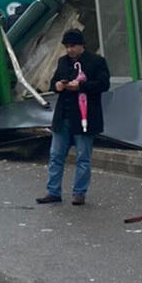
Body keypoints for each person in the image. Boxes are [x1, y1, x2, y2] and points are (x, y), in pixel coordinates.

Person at [36, 29, 110, 206]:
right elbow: (54, 81)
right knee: (55, 156)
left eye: (72, 46)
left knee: (83, 157)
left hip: (85, 116)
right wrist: (58, 85)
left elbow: (104, 84)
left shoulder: (96, 61)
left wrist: (81, 86)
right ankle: (53, 191)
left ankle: (79, 193)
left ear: (81, 45)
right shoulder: (63, 61)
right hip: (63, 116)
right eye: (67, 47)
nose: (69, 50)